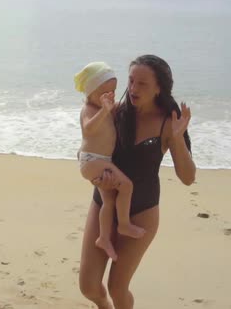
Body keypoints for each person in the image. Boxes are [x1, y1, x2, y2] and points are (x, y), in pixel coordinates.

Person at [78, 55, 196, 309]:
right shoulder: (115, 112)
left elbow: (188, 178)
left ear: (159, 88)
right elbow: (89, 148)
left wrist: (176, 139)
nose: (132, 89)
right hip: (104, 204)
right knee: (88, 287)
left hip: (142, 211)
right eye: (131, 81)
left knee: (118, 289)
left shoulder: (169, 122)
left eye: (142, 83)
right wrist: (96, 175)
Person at [74, 62, 146, 262]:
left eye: (113, 91)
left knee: (109, 201)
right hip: (93, 161)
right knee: (127, 186)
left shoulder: (104, 107)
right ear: (90, 92)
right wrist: (105, 110)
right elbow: (88, 129)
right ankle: (124, 224)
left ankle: (104, 238)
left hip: (99, 161)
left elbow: (123, 109)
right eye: (104, 92)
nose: (110, 96)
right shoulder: (89, 109)